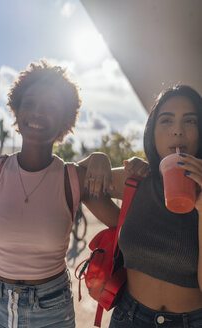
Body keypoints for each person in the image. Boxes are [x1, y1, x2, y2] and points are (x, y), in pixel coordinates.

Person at [0, 59, 122, 328]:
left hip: (52, 310)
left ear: (64, 121)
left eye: (51, 107)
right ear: (17, 110)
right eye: (31, 103)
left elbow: (124, 225)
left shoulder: (74, 179)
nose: (37, 113)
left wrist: (105, 159)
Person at [105, 85, 202, 328]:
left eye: (189, 121)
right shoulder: (138, 179)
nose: (177, 131)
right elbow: (80, 180)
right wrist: (96, 159)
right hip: (129, 317)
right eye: (166, 121)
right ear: (152, 131)